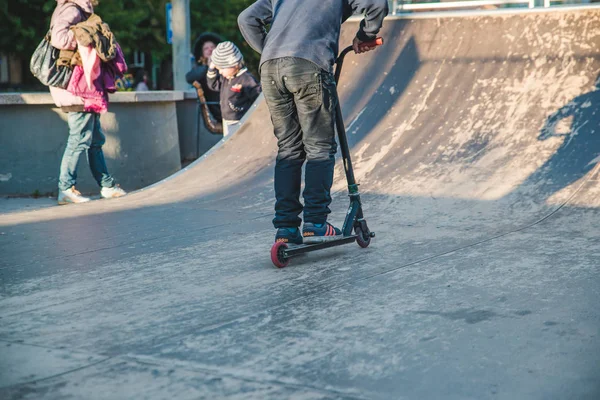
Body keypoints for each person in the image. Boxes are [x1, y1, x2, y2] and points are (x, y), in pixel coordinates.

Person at [238, 0, 388, 244]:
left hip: (270, 67)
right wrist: (365, 34)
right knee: (319, 147)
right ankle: (315, 222)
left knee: (289, 148)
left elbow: (246, 19)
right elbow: (377, 4)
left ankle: (286, 228)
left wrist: (272, 50)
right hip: (308, 64)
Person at [49, 0, 126, 205]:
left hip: (85, 88)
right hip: (77, 88)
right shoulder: (72, 9)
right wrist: (86, 36)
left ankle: (107, 185)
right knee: (79, 138)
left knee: (94, 140)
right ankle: (65, 188)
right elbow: (58, 38)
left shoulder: (79, 9)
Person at [206, 41, 262, 136]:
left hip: (242, 122)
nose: (220, 72)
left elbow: (258, 97)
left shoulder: (246, 79)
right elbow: (213, 85)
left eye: (222, 68)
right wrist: (211, 68)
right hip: (227, 121)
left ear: (234, 64)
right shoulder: (226, 78)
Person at [186, 33, 223, 123]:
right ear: (202, 54)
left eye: (212, 47)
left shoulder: (226, 68)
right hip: (220, 110)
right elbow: (189, 77)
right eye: (206, 48)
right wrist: (209, 66)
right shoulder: (201, 71)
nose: (210, 49)